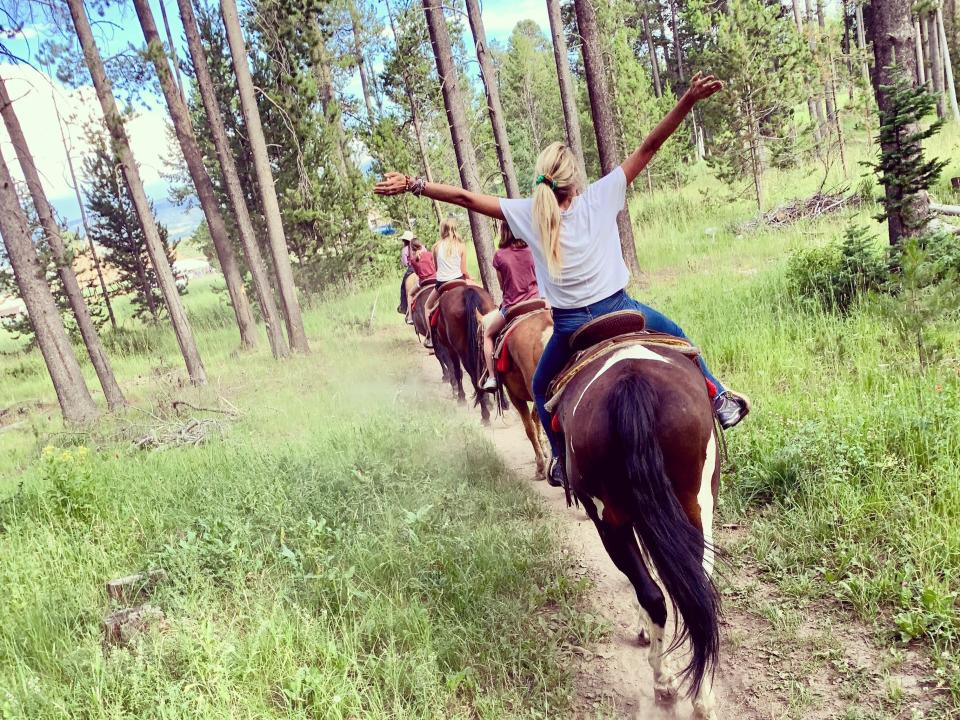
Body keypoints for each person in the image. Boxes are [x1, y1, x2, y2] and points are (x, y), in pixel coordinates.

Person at [375, 73, 749, 487]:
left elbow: (466, 198)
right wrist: (686, 100)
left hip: (570, 328)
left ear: (544, 183)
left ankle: (560, 461)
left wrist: (415, 184)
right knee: (680, 337)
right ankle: (718, 397)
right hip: (621, 310)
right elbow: (649, 147)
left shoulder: (529, 215)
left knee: (539, 387)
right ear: (575, 181)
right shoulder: (602, 196)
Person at [480, 221, 540, 391]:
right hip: (537, 302)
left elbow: (502, 286)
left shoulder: (499, 256)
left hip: (513, 306)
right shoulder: (531, 251)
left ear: (503, 231)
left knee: (488, 334)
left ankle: (492, 377)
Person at [408, 238, 438, 346]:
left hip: (423, 283)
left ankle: (410, 316)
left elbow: (417, 274)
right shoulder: (430, 254)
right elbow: (435, 267)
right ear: (422, 245)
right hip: (435, 280)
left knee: (410, 294)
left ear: (412, 248)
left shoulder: (413, 260)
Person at [433, 218, 472, 288]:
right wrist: (469, 277)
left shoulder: (436, 247)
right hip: (458, 280)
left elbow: (437, 269)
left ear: (442, 230)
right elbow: (463, 271)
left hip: (442, 283)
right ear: (455, 229)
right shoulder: (461, 245)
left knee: (429, 300)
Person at [398, 230, 417, 321]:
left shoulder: (405, 250)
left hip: (411, 269)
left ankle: (404, 307)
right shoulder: (421, 247)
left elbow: (405, 263)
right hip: (423, 268)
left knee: (403, 287)